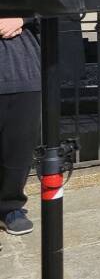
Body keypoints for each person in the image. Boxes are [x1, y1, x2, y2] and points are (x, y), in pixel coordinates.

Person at [0, 17, 41, 238]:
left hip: (21, 70)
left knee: (19, 149)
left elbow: (57, 7)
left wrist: (21, 19)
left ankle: (10, 207)